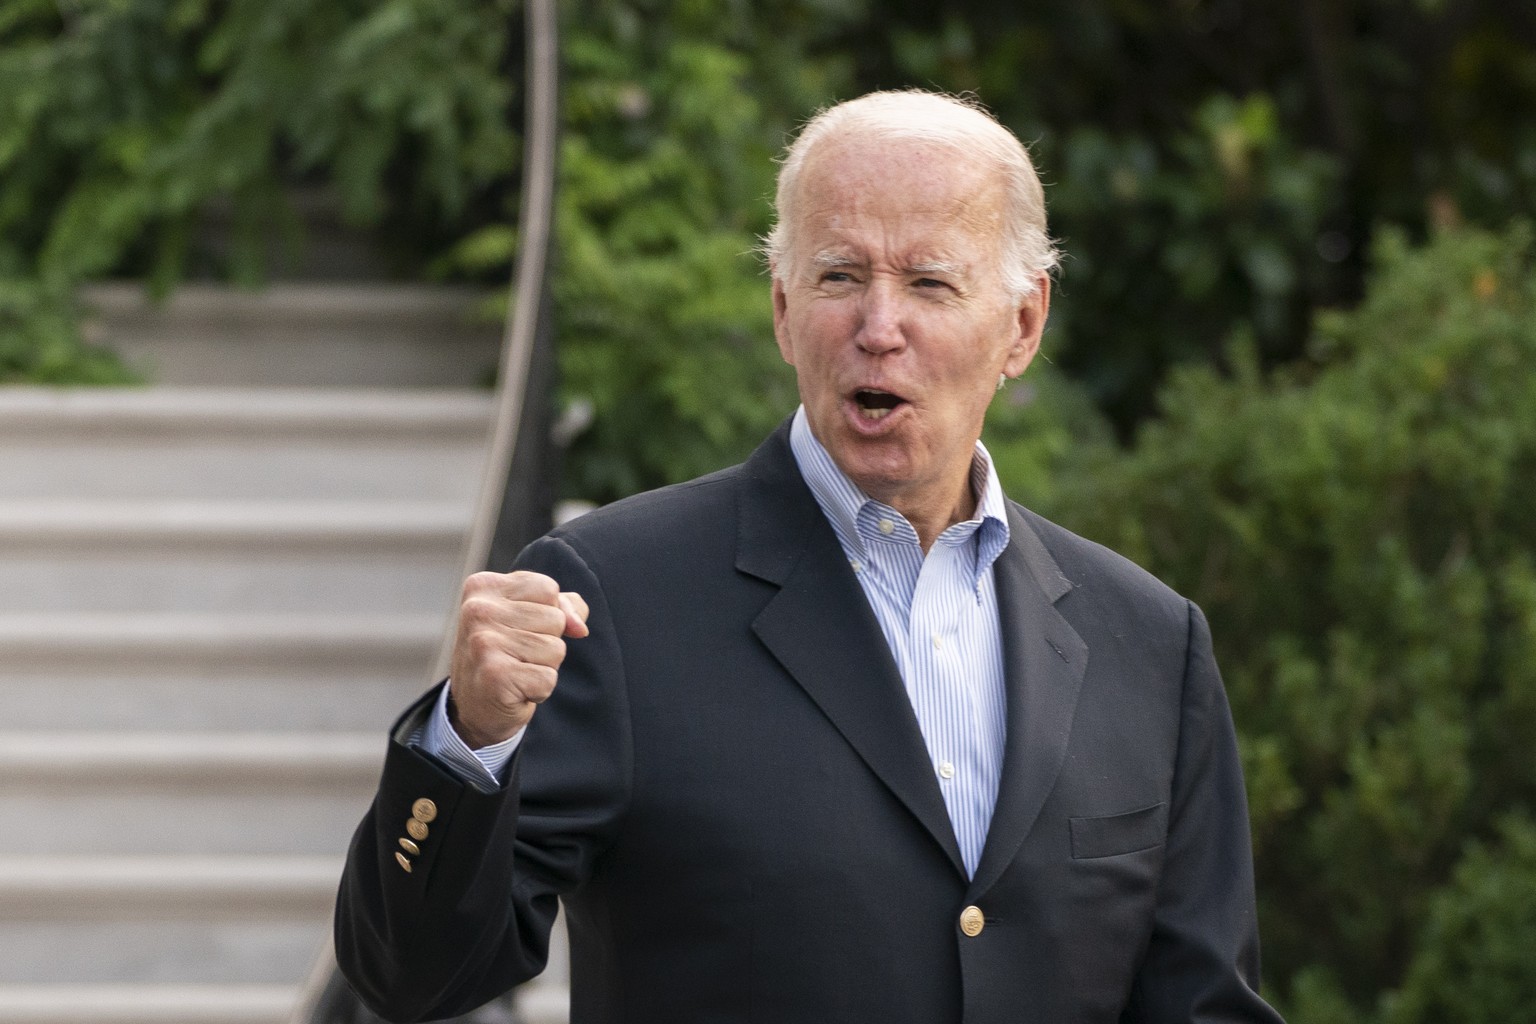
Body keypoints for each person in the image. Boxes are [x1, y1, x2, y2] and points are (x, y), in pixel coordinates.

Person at [335, 89, 1284, 1024]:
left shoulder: (1153, 645)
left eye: (929, 282)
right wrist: (467, 739)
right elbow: (415, 978)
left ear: (1023, 325)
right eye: (839, 277)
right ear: (785, 312)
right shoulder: (615, 599)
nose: (879, 327)